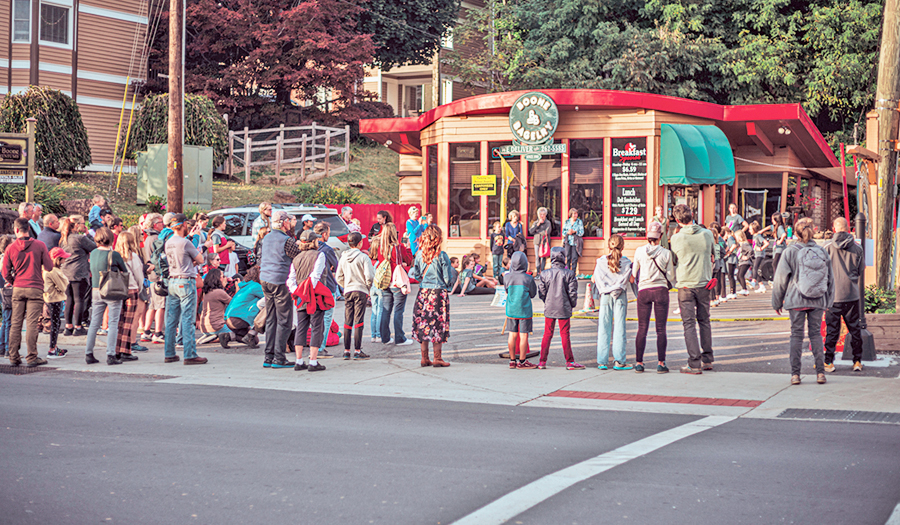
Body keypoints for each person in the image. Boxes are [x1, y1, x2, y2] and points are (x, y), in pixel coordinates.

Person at [772, 217, 834, 385]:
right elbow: (830, 278)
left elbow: (780, 280)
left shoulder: (790, 251)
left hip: (796, 300)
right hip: (817, 300)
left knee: (796, 335)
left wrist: (777, 302)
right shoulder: (821, 251)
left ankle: (795, 375)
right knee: (816, 334)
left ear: (796, 233)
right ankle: (821, 373)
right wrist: (828, 301)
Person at [670, 204, 715, 374]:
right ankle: (707, 358)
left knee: (689, 324)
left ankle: (694, 362)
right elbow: (713, 255)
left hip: (686, 284)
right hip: (704, 282)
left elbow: (673, 259)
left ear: (677, 220)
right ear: (692, 215)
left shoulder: (676, 238)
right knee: (704, 320)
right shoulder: (707, 234)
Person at [2, 218, 52, 367]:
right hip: (35, 287)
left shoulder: (10, 248)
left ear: (16, 230)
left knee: (15, 323)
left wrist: (13, 281)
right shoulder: (40, 245)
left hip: (18, 288)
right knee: (31, 324)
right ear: (28, 229)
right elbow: (49, 267)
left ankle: (13, 356)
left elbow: (4, 272)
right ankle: (31, 357)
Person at [162, 214, 207, 365]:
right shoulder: (185, 242)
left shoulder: (168, 242)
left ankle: (169, 352)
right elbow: (200, 259)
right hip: (186, 280)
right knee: (187, 319)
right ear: (183, 225)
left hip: (173, 280)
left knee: (171, 319)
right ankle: (190, 354)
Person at [632, 222, 676, 373]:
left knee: (642, 328)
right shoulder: (666, 253)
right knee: (661, 329)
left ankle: (639, 362)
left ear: (647, 235)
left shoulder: (639, 251)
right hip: (661, 290)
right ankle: (661, 363)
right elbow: (671, 276)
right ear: (661, 236)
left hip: (644, 291)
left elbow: (633, 274)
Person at [823, 217, 865, 372]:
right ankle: (857, 361)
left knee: (832, 330)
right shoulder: (857, 248)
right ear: (849, 229)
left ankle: (828, 361)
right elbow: (860, 270)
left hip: (833, 295)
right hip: (851, 294)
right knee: (855, 329)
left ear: (834, 229)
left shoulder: (827, 247)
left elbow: (822, 271)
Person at [260, 210, 301, 368]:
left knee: (271, 318)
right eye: (289, 220)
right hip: (279, 280)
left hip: (265, 279)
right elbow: (297, 258)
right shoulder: (287, 240)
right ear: (284, 223)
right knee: (284, 319)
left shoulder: (267, 238)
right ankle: (279, 357)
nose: (291, 223)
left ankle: (268, 356)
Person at [82, 227, 128, 365]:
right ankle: (111, 354)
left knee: (95, 322)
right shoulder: (114, 254)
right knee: (113, 322)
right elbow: (124, 271)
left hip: (96, 289)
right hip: (111, 289)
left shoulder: (93, 253)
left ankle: (89, 353)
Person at [409, 225, 453, 367]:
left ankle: (424, 358)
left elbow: (416, 275)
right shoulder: (442, 255)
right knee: (438, 324)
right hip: (438, 293)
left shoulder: (419, 255)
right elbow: (447, 278)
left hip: (423, 293)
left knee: (423, 324)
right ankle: (438, 358)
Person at [537, 247, 583, 370]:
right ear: (564, 257)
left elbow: (541, 291)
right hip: (563, 306)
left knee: (547, 334)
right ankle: (570, 361)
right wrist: (571, 304)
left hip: (550, 305)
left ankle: (542, 361)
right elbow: (572, 292)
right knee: (565, 334)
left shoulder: (545, 273)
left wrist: (547, 300)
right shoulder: (569, 273)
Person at [593, 234, 633, 371]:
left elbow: (594, 279)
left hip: (605, 296)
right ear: (623, 246)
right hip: (620, 295)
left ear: (609, 245)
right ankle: (619, 361)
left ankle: (602, 362)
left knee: (604, 327)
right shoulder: (627, 262)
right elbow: (630, 279)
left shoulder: (601, 262)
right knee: (620, 328)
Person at [292, 229, 328, 372]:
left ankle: (299, 360)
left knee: (301, 327)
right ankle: (313, 361)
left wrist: (297, 292)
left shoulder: (296, 258)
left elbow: (291, 279)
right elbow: (316, 275)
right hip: (315, 296)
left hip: (301, 296)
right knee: (316, 327)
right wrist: (308, 291)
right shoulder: (320, 255)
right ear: (314, 241)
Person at [372, 222, 413, 346]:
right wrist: (408, 248)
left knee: (386, 310)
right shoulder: (398, 247)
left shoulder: (381, 247)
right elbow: (408, 261)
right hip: (397, 282)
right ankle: (400, 338)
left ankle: (385, 338)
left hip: (385, 282)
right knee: (398, 311)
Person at [336, 232, 374, 359]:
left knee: (348, 320)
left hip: (348, 290)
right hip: (361, 290)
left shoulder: (343, 257)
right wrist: (367, 287)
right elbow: (369, 276)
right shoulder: (363, 257)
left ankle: (346, 351)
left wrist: (345, 285)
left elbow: (338, 277)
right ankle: (357, 350)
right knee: (359, 320)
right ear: (360, 243)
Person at [60, 215, 96, 336]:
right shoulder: (80, 238)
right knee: (79, 299)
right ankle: (78, 326)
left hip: (65, 272)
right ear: (76, 225)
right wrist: (88, 234)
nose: (84, 226)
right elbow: (94, 247)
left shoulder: (64, 238)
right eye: (82, 223)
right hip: (78, 272)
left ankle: (68, 326)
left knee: (69, 299)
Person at [504, 251, 537, 369]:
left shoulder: (507, 277)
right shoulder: (528, 278)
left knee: (512, 335)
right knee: (524, 336)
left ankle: (512, 360)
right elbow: (533, 294)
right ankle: (522, 361)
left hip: (511, 309)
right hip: (524, 310)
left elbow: (507, 291)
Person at [313, 221, 340, 358]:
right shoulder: (327, 250)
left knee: (315, 318)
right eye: (328, 233)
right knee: (326, 318)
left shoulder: (309, 248)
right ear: (324, 234)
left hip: (312, 287)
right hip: (327, 287)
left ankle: (314, 347)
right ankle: (320, 348)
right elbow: (336, 267)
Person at [140, 213, 166, 344]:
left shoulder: (147, 238)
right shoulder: (157, 238)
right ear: (155, 224)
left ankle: (146, 331)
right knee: (160, 305)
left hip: (150, 276)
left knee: (152, 305)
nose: (163, 224)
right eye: (161, 222)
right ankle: (158, 332)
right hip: (157, 275)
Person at [225, 265, 264, 348]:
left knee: (255, 341)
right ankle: (251, 333)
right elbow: (269, 298)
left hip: (229, 319)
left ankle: (228, 336)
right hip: (238, 319)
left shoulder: (244, 286)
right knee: (268, 308)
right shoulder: (256, 286)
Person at [42, 247, 70, 359]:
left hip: (50, 298)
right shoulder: (53, 271)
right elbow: (63, 286)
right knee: (55, 324)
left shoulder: (47, 269)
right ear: (58, 259)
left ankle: (55, 347)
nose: (65, 260)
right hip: (54, 299)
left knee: (56, 323)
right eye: (63, 258)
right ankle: (52, 349)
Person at [199, 267, 234, 346]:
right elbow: (234, 303)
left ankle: (213, 336)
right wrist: (238, 289)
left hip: (204, 327)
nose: (225, 278)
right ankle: (216, 338)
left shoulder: (207, 292)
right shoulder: (219, 292)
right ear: (218, 279)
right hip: (217, 326)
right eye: (223, 276)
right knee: (236, 333)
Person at [562, 209, 584, 273]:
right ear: (571, 214)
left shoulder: (579, 222)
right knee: (567, 257)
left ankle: (573, 273)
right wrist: (568, 232)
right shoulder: (567, 222)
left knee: (574, 258)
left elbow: (582, 232)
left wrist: (575, 232)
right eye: (574, 214)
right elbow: (563, 232)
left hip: (575, 242)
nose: (575, 215)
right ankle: (567, 272)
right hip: (568, 241)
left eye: (576, 214)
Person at [530, 207, 552, 272]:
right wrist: (538, 225)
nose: (542, 216)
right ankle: (537, 272)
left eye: (543, 214)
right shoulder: (535, 222)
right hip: (537, 242)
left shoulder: (548, 223)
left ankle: (542, 272)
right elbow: (531, 231)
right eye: (540, 214)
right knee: (537, 257)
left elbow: (547, 232)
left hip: (545, 242)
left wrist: (537, 231)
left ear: (545, 215)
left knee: (543, 257)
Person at [750, 221, 769, 293]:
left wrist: (761, 248)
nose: (749, 231)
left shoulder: (758, 236)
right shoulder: (754, 236)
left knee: (755, 267)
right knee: (755, 269)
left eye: (750, 229)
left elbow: (766, 243)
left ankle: (753, 281)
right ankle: (761, 286)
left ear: (754, 229)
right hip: (756, 254)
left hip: (760, 254)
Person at [734, 229, 753, 296]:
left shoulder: (744, 244)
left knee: (741, 275)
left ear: (740, 237)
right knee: (738, 276)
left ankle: (744, 289)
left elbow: (750, 250)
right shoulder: (740, 245)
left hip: (745, 262)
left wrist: (747, 257)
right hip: (741, 262)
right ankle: (743, 288)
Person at [723, 227, 738, 300]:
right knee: (730, 275)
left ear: (726, 232)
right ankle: (733, 292)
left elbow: (733, 245)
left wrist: (728, 252)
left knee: (730, 275)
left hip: (731, 259)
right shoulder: (731, 238)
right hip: (732, 259)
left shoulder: (730, 238)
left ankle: (733, 292)